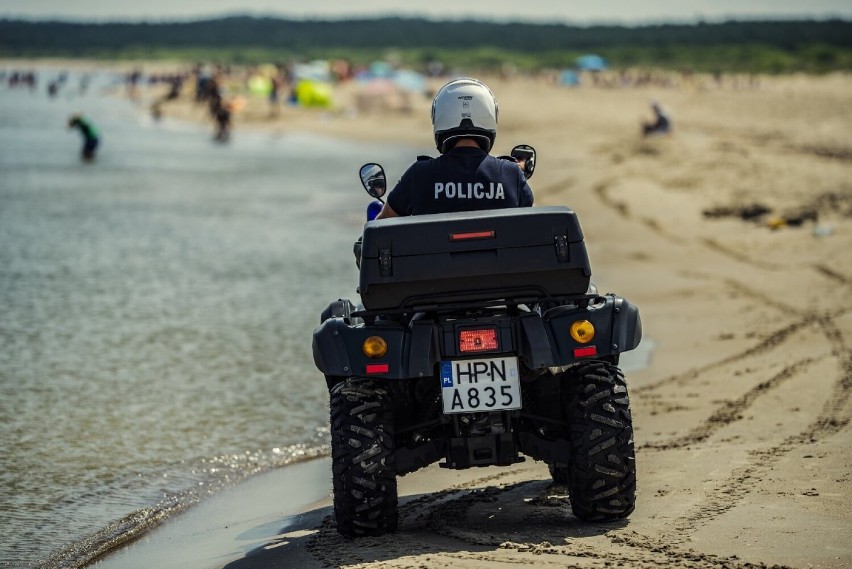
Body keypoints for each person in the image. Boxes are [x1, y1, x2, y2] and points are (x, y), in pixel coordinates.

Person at [374, 77, 533, 219]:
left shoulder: (418, 175)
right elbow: (533, 228)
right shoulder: (511, 175)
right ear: (491, 114)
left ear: (439, 117)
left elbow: (381, 227)